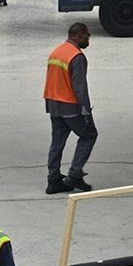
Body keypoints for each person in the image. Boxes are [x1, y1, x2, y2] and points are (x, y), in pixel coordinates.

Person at [44, 20, 96, 194]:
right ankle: (74, 174)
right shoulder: (76, 56)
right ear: (78, 35)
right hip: (70, 106)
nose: (88, 39)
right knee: (89, 135)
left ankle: (53, 180)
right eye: (87, 35)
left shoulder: (56, 52)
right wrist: (85, 111)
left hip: (53, 104)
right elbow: (79, 86)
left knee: (57, 142)